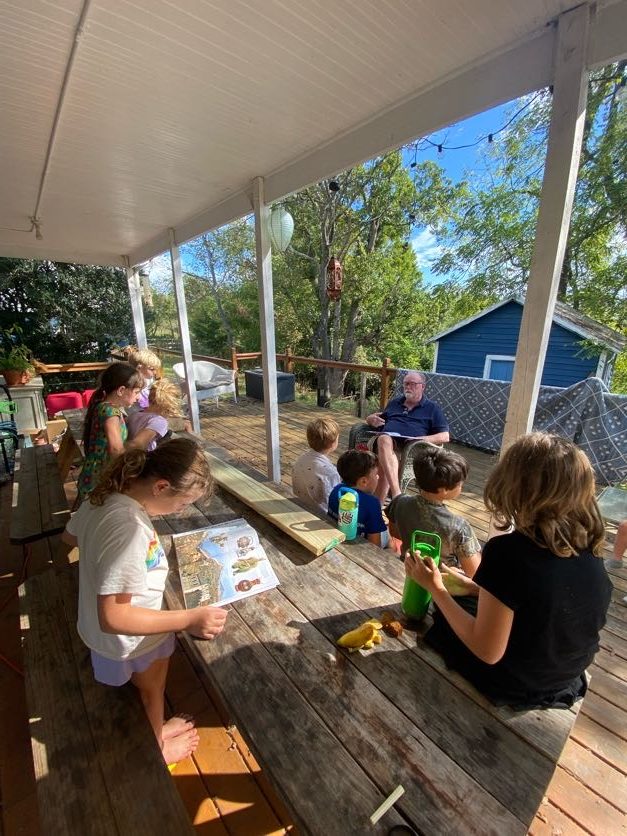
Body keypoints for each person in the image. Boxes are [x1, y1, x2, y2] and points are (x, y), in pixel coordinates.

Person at [405, 432, 612, 710]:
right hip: (566, 674)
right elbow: (544, 598)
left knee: (443, 614)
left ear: (514, 486)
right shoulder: (588, 541)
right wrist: (476, 588)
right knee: (466, 600)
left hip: (517, 683)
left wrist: (436, 589)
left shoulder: (508, 551)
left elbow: (488, 652)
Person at [62, 438, 228, 764]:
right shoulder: (129, 529)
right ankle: (159, 748)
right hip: (134, 637)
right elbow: (114, 615)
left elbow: (69, 536)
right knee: (153, 691)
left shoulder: (106, 496)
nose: (181, 510)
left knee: (146, 689)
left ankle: (156, 732)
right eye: (182, 504)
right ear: (161, 486)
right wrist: (189, 619)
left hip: (102, 635)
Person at [387, 446, 481, 577]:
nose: (461, 486)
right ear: (443, 490)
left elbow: (394, 532)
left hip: (408, 568)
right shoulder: (459, 526)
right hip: (441, 584)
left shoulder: (399, 502)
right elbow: (475, 573)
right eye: (460, 484)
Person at [365, 371, 449, 503]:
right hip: (388, 443)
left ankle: (378, 505)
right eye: (405, 384)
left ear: (423, 387)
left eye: (412, 384)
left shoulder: (432, 408)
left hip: (413, 449)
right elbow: (379, 420)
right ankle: (396, 493)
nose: (408, 387)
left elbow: (445, 436)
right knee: (384, 439)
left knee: (384, 462)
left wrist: (422, 439)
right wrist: (370, 419)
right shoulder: (395, 403)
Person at [77, 362, 144, 501]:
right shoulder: (110, 413)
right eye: (137, 392)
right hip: (100, 479)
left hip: (93, 475)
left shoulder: (102, 406)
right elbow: (116, 449)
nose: (139, 398)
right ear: (121, 391)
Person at [328, 450, 389, 548]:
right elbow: (375, 544)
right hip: (358, 547)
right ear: (364, 481)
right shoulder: (372, 503)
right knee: (388, 537)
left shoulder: (336, 490)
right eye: (376, 474)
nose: (378, 477)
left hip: (335, 539)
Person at [292, 417, 341, 514]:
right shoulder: (330, 472)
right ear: (333, 444)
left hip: (301, 505)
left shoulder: (300, 459)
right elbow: (334, 501)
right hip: (321, 515)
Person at [127, 378, 184, 451]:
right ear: (167, 406)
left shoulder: (134, 415)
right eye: (170, 410)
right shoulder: (159, 421)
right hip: (143, 458)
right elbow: (136, 444)